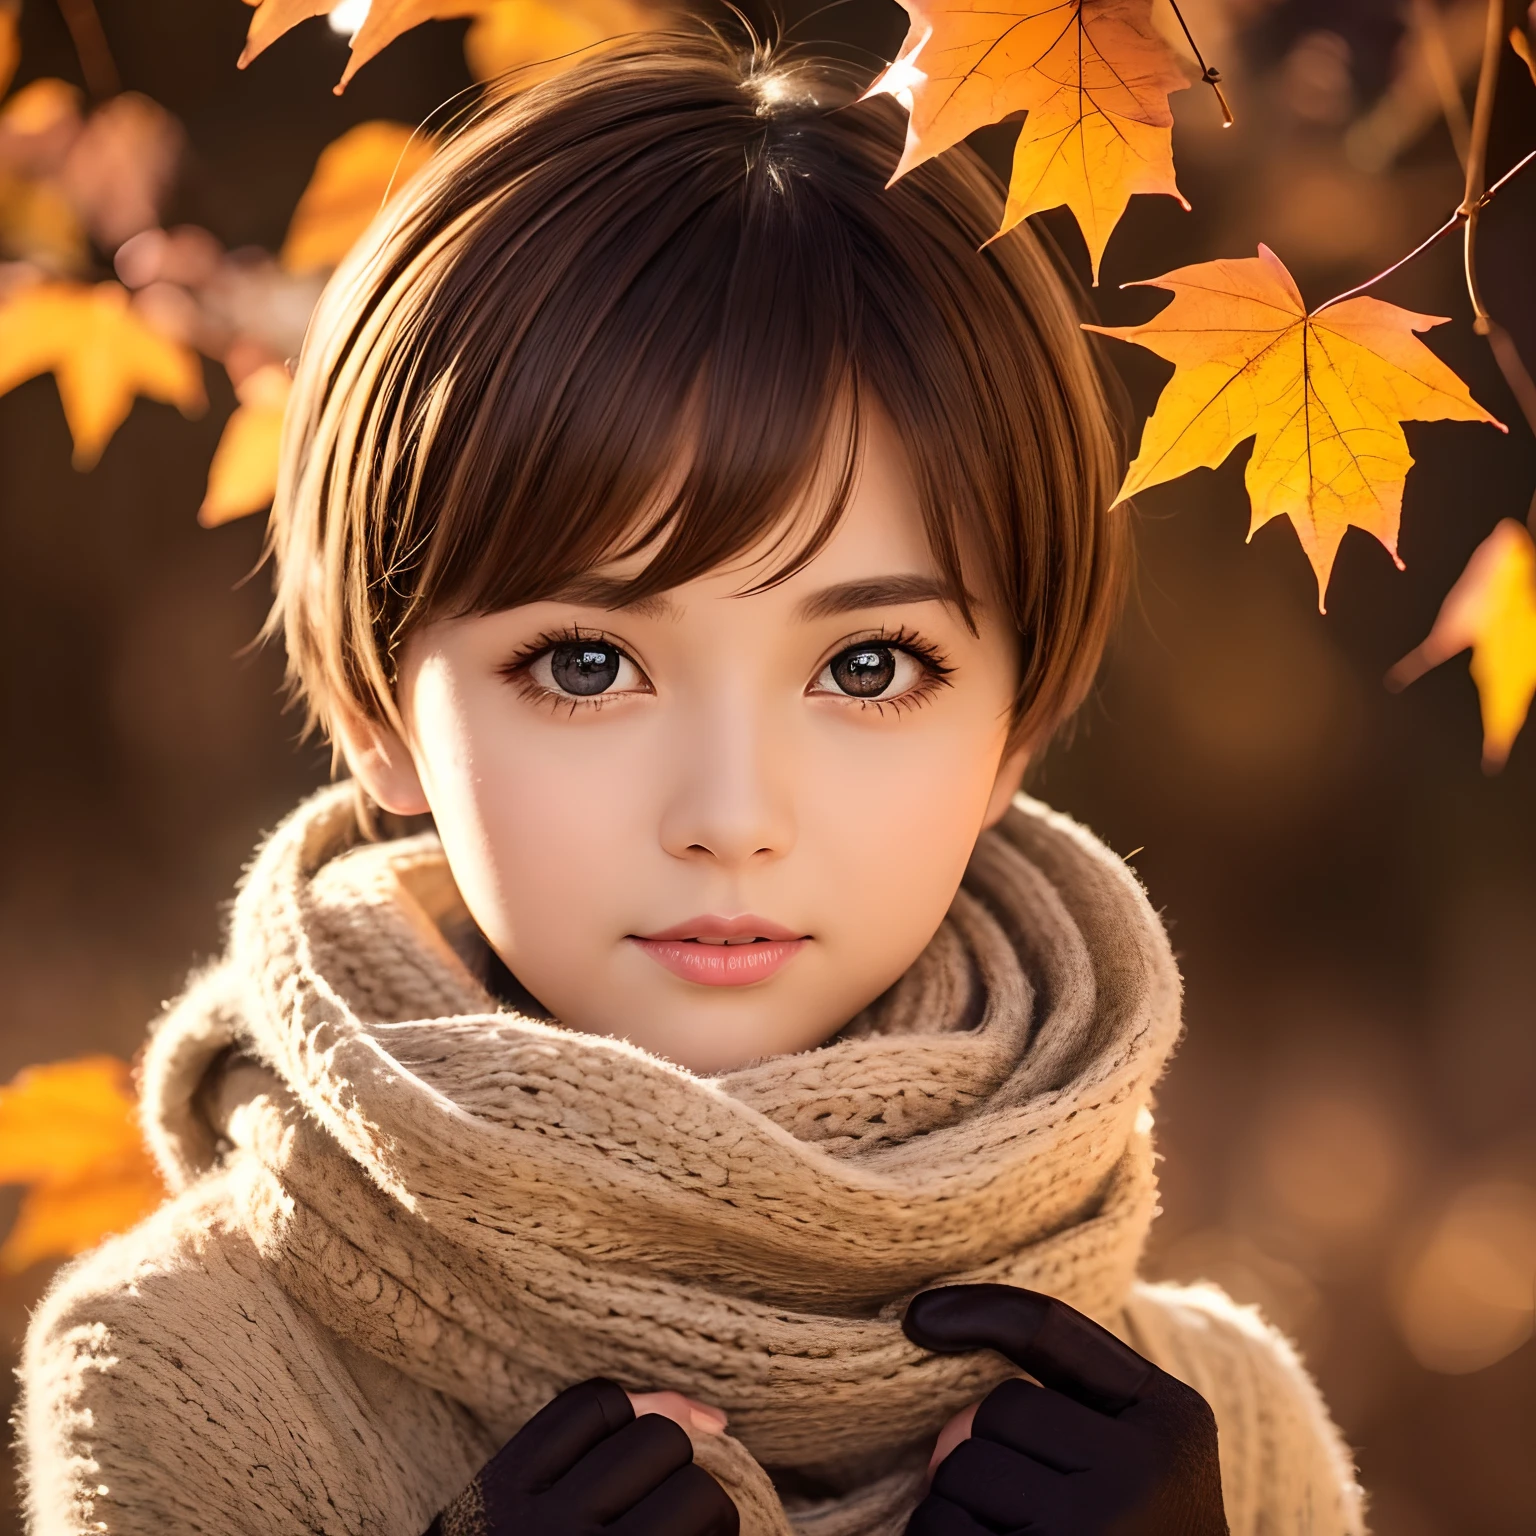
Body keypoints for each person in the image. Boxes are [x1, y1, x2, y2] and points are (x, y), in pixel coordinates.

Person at [19, 28, 1365, 1536]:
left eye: (869, 667)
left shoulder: (1220, 1425)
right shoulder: (185, 1370)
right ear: (375, 705)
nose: (731, 815)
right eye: (587, 665)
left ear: (1019, 723)